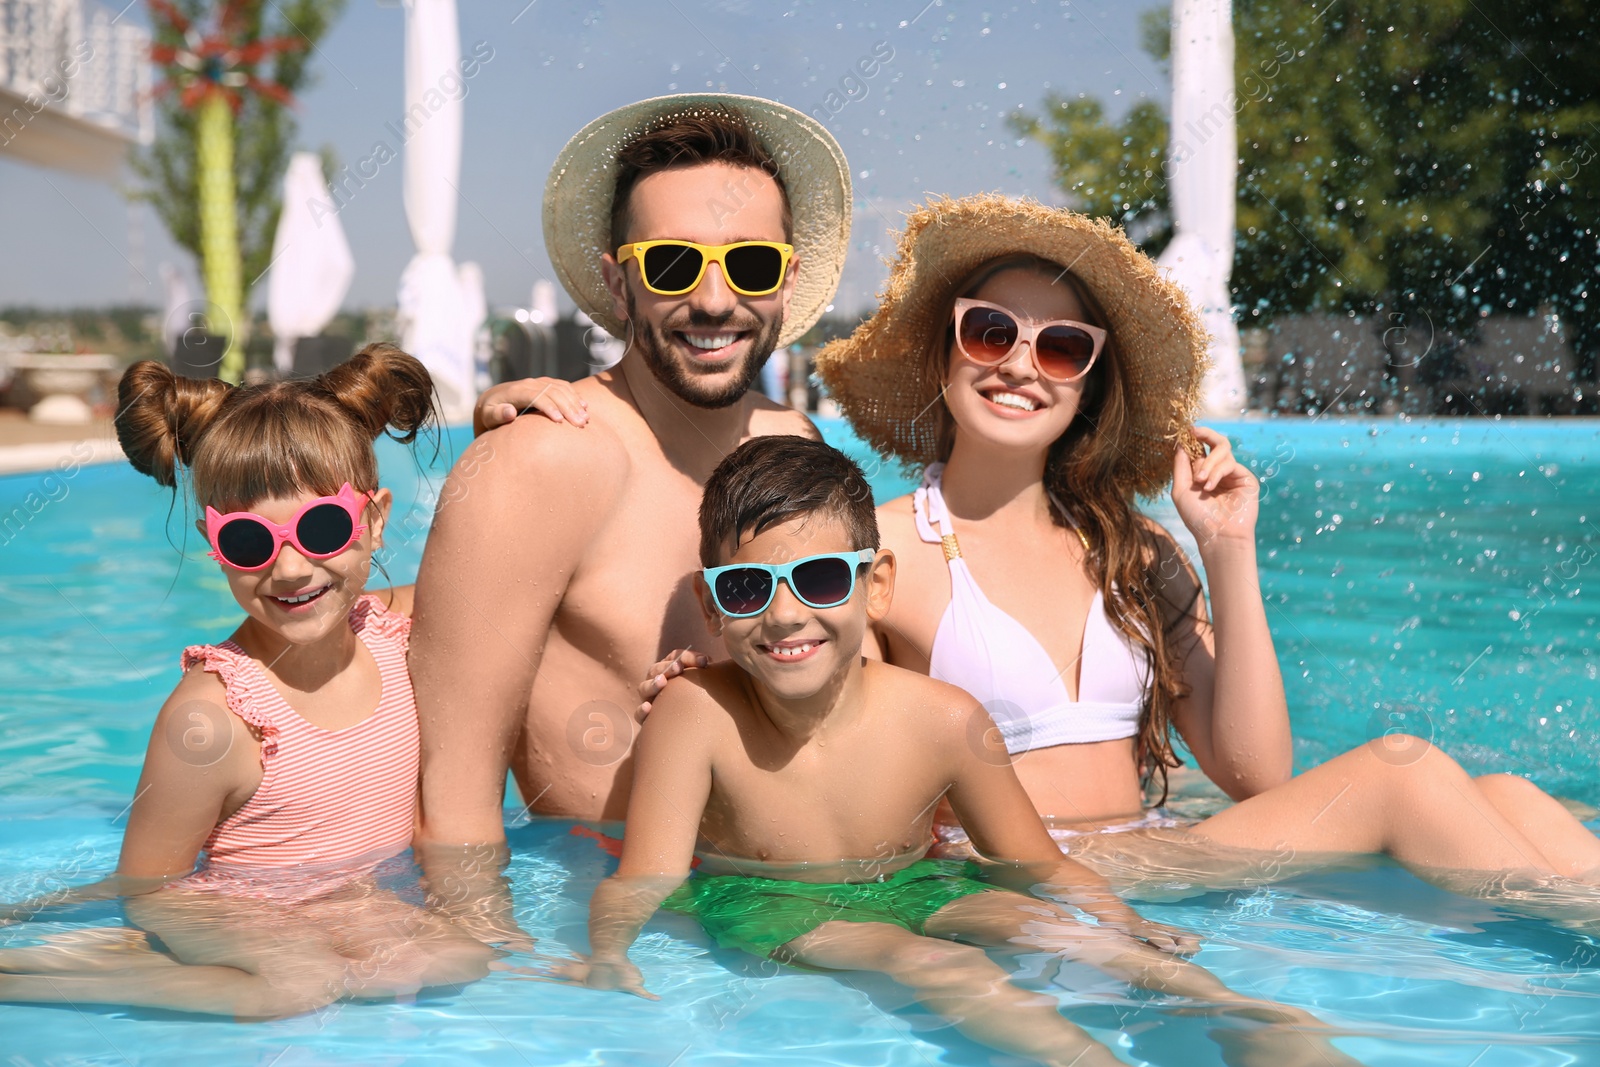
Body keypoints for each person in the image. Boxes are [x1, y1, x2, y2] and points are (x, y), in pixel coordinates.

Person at [799, 192, 1600, 899]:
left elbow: (1256, 774)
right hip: (1038, 877)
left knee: (1511, 795)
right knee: (1408, 771)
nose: (1020, 364)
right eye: (991, 331)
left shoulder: (1132, 549)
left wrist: (1226, 549)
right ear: (945, 349)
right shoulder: (886, 553)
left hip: (1159, 852)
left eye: (1061, 348)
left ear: (1087, 387)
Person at [567, 434, 1360, 1067]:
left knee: (1066, 935)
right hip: (769, 902)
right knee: (938, 967)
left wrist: (1120, 922)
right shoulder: (693, 714)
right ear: (710, 605)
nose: (784, 615)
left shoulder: (945, 719)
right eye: (747, 588)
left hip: (916, 884)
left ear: (876, 585)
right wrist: (609, 957)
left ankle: (1258, 1026)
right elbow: (649, 879)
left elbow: (1036, 862)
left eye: (818, 579)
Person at [0, 347, 501, 1017]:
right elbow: (147, 886)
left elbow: (498, 571)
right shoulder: (215, 718)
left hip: (345, 902)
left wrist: (504, 430)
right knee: (298, 983)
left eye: (322, 527)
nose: (291, 567)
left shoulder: (397, 630)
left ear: (375, 522)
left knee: (459, 955)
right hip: (231, 908)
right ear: (214, 542)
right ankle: (21, 975)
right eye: (248, 541)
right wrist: (282, 936)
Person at [410, 93, 852, 846]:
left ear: (785, 277)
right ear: (620, 285)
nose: (714, 301)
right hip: (615, 920)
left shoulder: (798, 444)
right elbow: (451, 792)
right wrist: (483, 951)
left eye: (749, 263)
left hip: (793, 899)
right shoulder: (545, 458)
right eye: (674, 266)